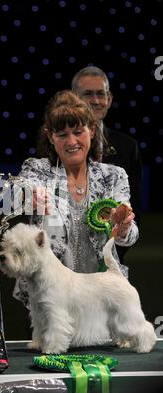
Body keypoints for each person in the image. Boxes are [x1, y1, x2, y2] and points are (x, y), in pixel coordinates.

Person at [13, 90, 138, 310]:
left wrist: (125, 226)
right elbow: (20, 189)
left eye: (78, 132)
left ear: (91, 130)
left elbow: (129, 238)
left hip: (102, 296)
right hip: (50, 298)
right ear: (50, 136)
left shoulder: (113, 175)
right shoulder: (37, 169)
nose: (72, 141)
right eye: (62, 134)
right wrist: (27, 196)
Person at [71, 66, 143, 263]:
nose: (95, 100)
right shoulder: (57, 145)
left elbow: (134, 210)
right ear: (73, 99)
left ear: (109, 99)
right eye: (87, 94)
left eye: (100, 94)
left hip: (110, 261)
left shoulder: (128, 147)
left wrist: (111, 255)